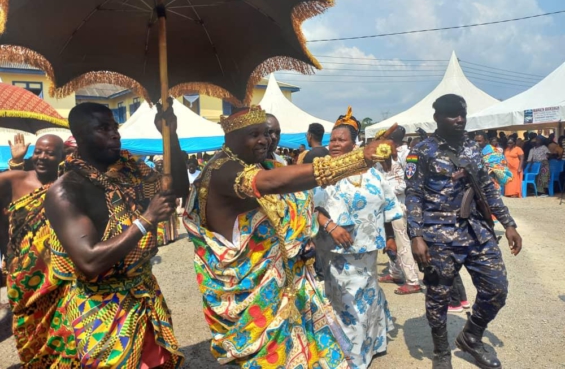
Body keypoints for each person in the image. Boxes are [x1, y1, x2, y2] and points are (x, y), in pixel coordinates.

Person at [183, 105, 392, 368]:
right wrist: (357, 160)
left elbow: (293, 206)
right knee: (265, 357)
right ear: (231, 138)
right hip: (249, 289)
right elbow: (272, 183)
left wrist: (303, 239)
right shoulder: (224, 170)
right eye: (255, 134)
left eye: (268, 133)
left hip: (285, 276)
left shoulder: (261, 162)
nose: (265, 140)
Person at [44, 102, 187, 368]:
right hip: (101, 310)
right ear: (80, 136)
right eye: (102, 128)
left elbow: (177, 187)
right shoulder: (66, 191)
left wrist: (171, 136)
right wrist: (146, 220)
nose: (114, 134)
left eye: (114, 127)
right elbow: (89, 262)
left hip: (144, 295)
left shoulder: (131, 173)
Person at [406, 94, 522, 369]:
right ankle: (442, 353)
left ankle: (471, 336)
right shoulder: (421, 151)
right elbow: (413, 194)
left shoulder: (472, 148)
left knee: (496, 288)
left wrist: (509, 224)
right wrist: (416, 235)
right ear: (437, 118)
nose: (459, 120)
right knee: (438, 297)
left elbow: (487, 188)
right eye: (452, 115)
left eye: (462, 114)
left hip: (475, 231)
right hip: (438, 235)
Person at [314, 107, 402, 368]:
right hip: (336, 251)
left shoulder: (373, 172)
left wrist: (389, 236)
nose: (335, 144)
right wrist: (330, 226)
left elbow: (387, 204)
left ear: (355, 143)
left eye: (341, 139)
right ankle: (349, 355)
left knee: (369, 297)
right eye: (332, 139)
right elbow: (310, 205)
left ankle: (372, 345)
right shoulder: (324, 171)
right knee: (346, 304)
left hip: (367, 250)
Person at [0, 134, 78, 367]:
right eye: (39, 152)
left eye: (50, 153)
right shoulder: (15, 179)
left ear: (62, 157)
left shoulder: (69, 184)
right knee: (28, 331)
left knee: (63, 332)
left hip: (59, 276)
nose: (42, 157)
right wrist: (15, 162)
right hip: (22, 275)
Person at [377, 155, 421, 295]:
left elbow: (406, 184)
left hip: (399, 208)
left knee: (402, 243)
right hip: (384, 209)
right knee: (389, 242)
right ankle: (395, 273)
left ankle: (412, 281)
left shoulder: (400, 162)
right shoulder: (377, 166)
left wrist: (386, 192)